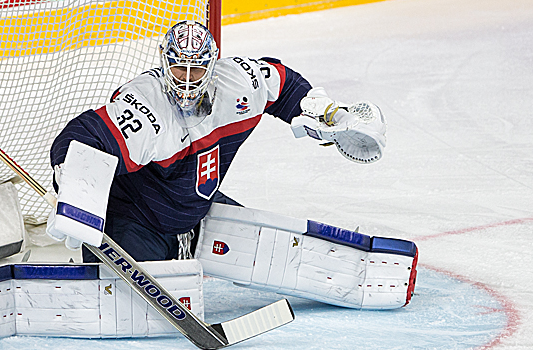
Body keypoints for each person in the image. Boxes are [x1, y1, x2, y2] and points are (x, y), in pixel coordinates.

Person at [46, 20, 387, 262]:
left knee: (273, 249)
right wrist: (75, 190)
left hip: (194, 207)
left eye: (197, 70)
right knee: (124, 295)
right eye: (180, 69)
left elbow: (284, 85)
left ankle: (188, 240)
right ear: (165, 63)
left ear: (213, 65)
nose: (187, 82)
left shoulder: (239, 82)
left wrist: (331, 114)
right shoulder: (145, 105)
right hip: (139, 217)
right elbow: (81, 137)